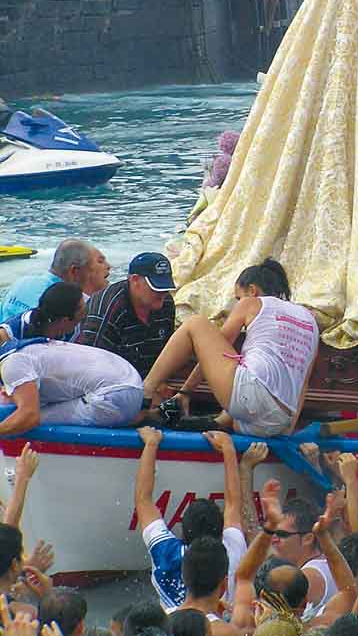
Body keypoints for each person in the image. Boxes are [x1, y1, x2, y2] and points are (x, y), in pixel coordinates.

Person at [142, 258, 319, 436]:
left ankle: (144, 392)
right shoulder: (310, 320)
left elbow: (216, 350)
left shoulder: (251, 302)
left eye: (238, 297)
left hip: (251, 399)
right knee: (246, 364)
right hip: (279, 419)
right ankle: (217, 422)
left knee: (196, 323)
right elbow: (303, 383)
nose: (238, 302)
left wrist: (185, 393)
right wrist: (288, 430)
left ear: (252, 290)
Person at [0, 283, 143, 432]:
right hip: (132, 384)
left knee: (31, 420)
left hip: (117, 395)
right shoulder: (30, 348)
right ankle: (140, 416)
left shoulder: (13, 363)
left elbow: (30, 416)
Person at [135, 428, 247, 611]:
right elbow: (234, 504)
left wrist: (151, 444)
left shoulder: (166, 551)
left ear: (182, 530)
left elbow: (143, 500)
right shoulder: (232, 550)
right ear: (221, 532)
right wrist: (228, 448)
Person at [78, 252, 177, 378]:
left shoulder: (166, 303)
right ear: (135, 280)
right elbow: (91, 365)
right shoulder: (107, 309)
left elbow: (166, 352)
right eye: (156, 288)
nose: (162, 294)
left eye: (166, 288)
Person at [0, 238, 110, 320]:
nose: (109, 266)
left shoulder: (22, 282)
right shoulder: (72, 304)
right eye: (100, 261)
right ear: (75, 271)